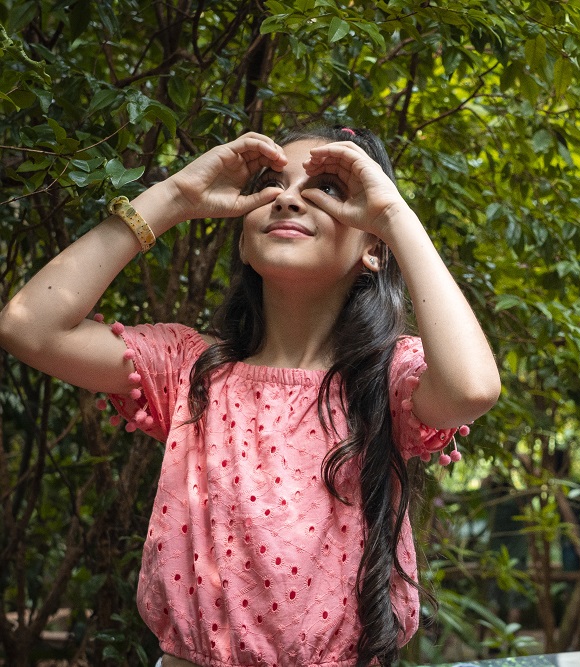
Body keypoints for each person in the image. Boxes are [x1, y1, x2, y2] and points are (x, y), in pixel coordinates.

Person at [0, 126, 501, 667]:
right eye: (271, 184)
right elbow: (30, 327)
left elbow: (471, 388)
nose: (287, 197)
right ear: (243, 238)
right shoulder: (189, 368)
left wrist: (396, 218)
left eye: (326, 190)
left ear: (372, 248)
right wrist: (175, 197)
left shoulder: (386, 378)